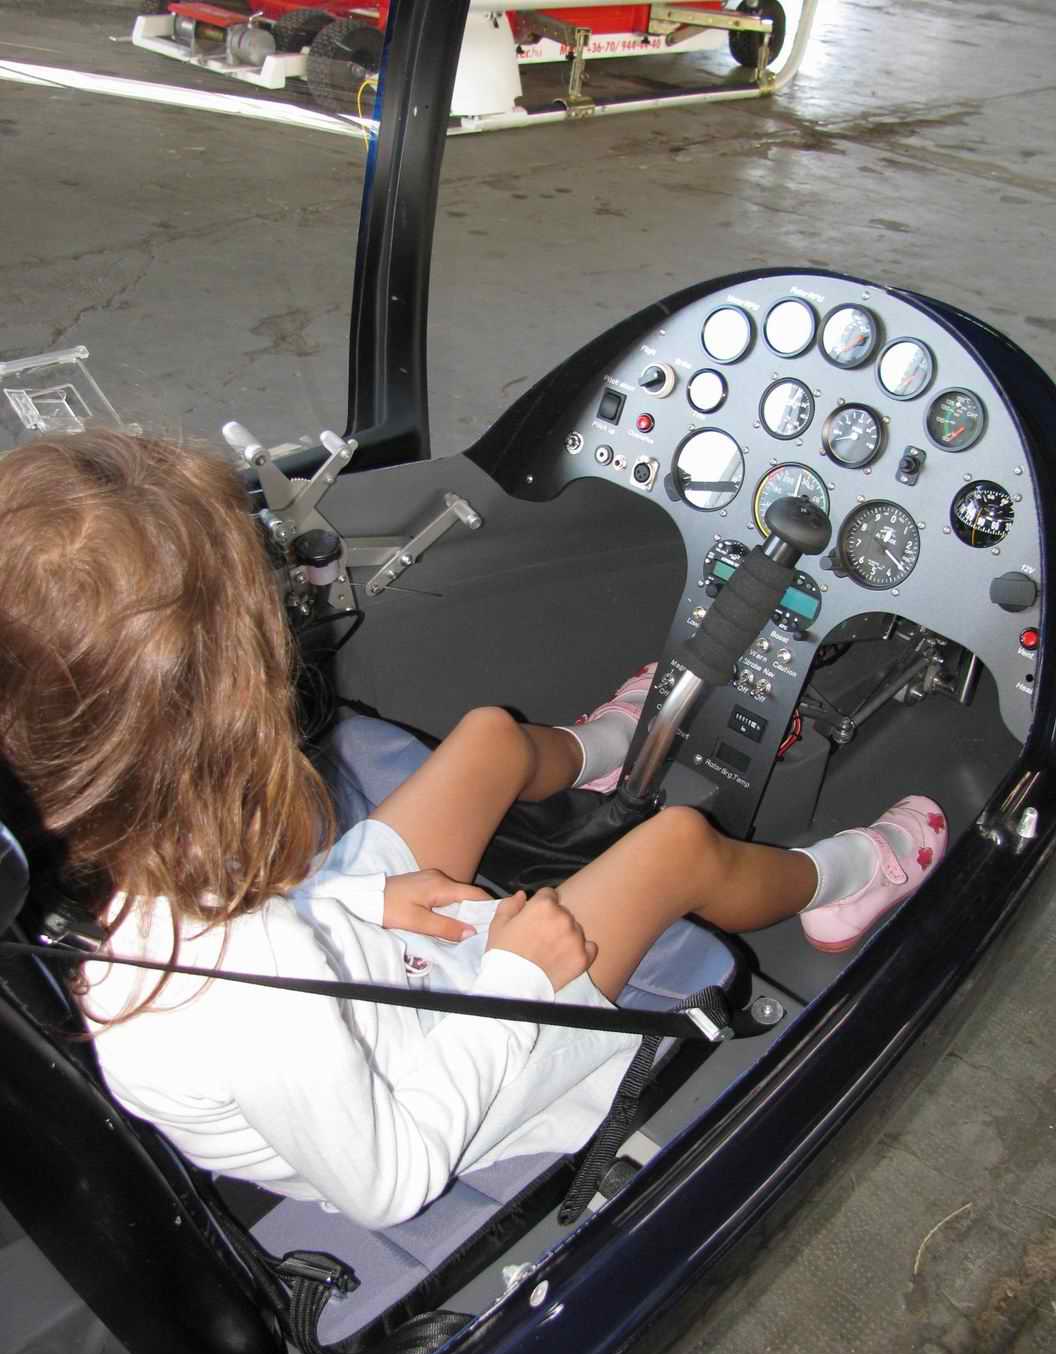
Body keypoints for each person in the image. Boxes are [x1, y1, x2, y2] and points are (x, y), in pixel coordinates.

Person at [0, 431, 947, 1230]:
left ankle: (614, 744)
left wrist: (363, 900)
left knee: (490, 739)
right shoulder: (233, 984)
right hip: (441, 1069)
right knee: (675, 849)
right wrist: (520, 973)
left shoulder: (112, 851)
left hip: (347, 957)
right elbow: (390, 1182)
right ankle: (846, 880)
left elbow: (265, 930)